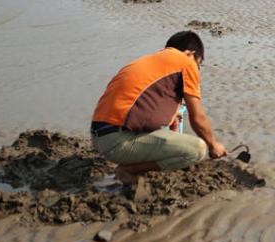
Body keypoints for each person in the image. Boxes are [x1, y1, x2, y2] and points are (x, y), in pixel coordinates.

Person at [90, 31, 227, 185]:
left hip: (100, 137)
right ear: (191, 54)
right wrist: (213, 145)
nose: (197, 69)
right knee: (197, 150)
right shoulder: (186, 62)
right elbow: (198, 118)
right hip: (117, 142)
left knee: (175, 141)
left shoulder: (151, 62)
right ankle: (128, 170)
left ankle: (131, 163)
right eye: (198, 63)